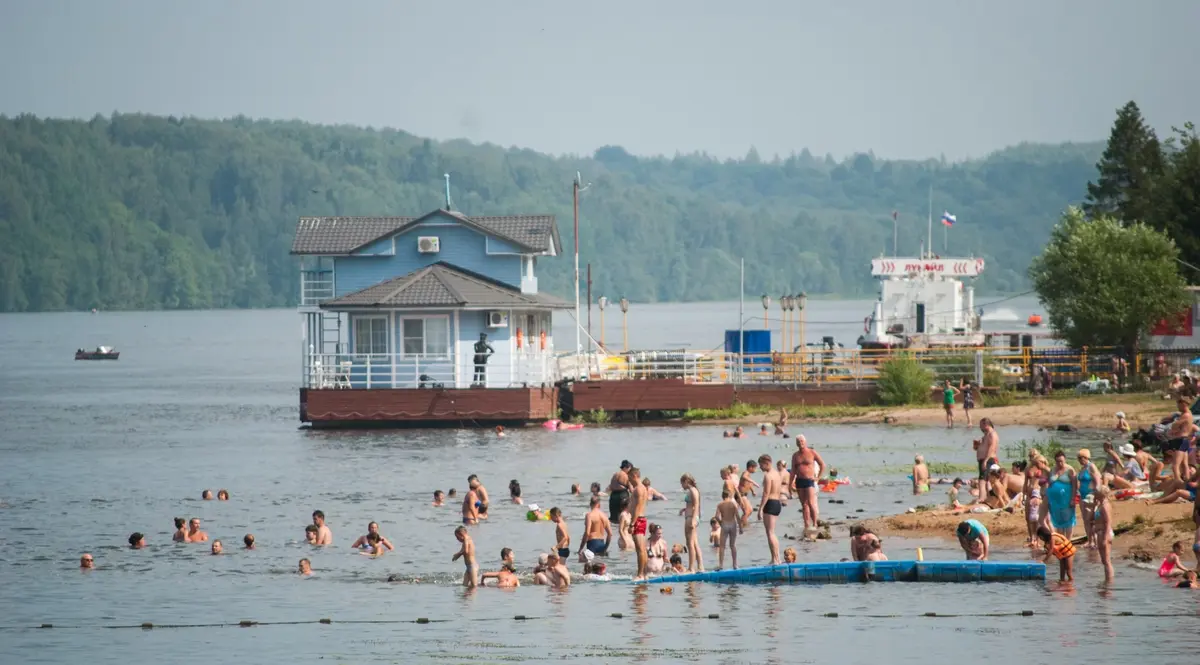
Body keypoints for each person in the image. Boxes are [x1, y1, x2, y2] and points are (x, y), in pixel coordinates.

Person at [789, 435, 826, 534]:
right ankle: (806, 524)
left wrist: (818, 477)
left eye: (801, 441)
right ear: (796, 443)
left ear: (805, 442)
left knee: (810, 503)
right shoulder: (795, 455)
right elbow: (793, 470)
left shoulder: (812, 452)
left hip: (809, 480)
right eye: (798, 441)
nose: (800, 443)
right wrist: (790, 483)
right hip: (799, 481)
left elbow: (822, 464)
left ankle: (814, 524)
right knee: (804, 505)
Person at [757, 454, 783, 564]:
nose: (760, 467)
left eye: (761, 465)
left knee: (770, 533)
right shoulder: (777, 474)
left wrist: (760, 509)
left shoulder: (768, 476)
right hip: (777, 503)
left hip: (770, 503)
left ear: (766, 463)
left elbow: (766, 493)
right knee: (772, 532)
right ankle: (777, 558)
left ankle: (775, 559)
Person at [1046, 451, 1078, 538]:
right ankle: (1061, 541)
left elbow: (1074, 486)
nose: (1060, 463)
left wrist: (1073, 499)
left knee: (1068, 520)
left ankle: (1068, 541)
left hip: (1067, 499)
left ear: (1065, 460)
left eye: (1061, 461)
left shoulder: (1069, 470)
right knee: (1058, 521)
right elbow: (1049, 484)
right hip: (1055, 501)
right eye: (1058, 461)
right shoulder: (1053, 469)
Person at [627, 467, 650, 580]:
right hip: (641, 519)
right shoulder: (642, 488)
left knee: (640, 549)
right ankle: (644, 573)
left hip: (638, 520)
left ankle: (641, 574)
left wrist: (632, 523)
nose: (629, 480)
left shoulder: (639, 489)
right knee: (642, 549)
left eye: (629, 477)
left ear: (634, 476)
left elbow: (638, 507)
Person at [1076, 449, 1101, 548]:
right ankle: (1089, 540)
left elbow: (1098, 481)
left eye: (1081, 458)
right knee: (1085, 520)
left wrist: (1098, 495)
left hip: (1091, 495)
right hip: (1082, 496)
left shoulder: (1091, 466)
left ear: (1086, 457)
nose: (1079, 460)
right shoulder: (1082, 469)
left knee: (1091, 519)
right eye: (1078, 458)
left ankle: (1095, 540)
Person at [679, 473, 703, 572]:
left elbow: (696, 505)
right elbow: (692, 504)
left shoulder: (693, 490)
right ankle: (700, 567)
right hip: (691, 516)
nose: (681, 486)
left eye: (682, 483)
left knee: (690, 544)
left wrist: (693, 519)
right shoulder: (693, 490)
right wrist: (684, 509)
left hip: (691, 518)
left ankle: (691, 568)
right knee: (695, 543)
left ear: (686, 481)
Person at [972, 419, 999, 504]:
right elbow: (978, 448)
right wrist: (976, 445)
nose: (980, 428)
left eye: (981, 425)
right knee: (985, 479)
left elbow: (992, 447)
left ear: (986, 425)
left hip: (988, 459)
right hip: (983, 459)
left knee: (982, 479)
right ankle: (986, 497)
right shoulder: (985, 435)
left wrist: (986, 460)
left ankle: (982, 498)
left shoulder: (992, 434)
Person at [1093, 485, 1115, 583]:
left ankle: (1109, 583)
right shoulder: (1100, 504)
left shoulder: (1105, 506)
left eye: (1096, 492)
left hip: (1104, 533)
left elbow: (1108, 522)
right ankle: (1107, 580)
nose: (1094, 494)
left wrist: (1105, 537)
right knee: (1104, 561)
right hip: (1100, 533)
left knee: (1107, 561)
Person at [715, 488, 740, 569]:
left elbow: (716, 516)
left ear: (722, 496)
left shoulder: (720, 505)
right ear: (729, 496)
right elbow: (737, 516)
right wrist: (741, 527)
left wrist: (720, 523)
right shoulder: (733, 504)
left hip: (725, 524)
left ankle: (721, 565)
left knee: (722, 546)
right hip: (733, 524)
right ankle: (735, 565)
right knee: (732, 545)